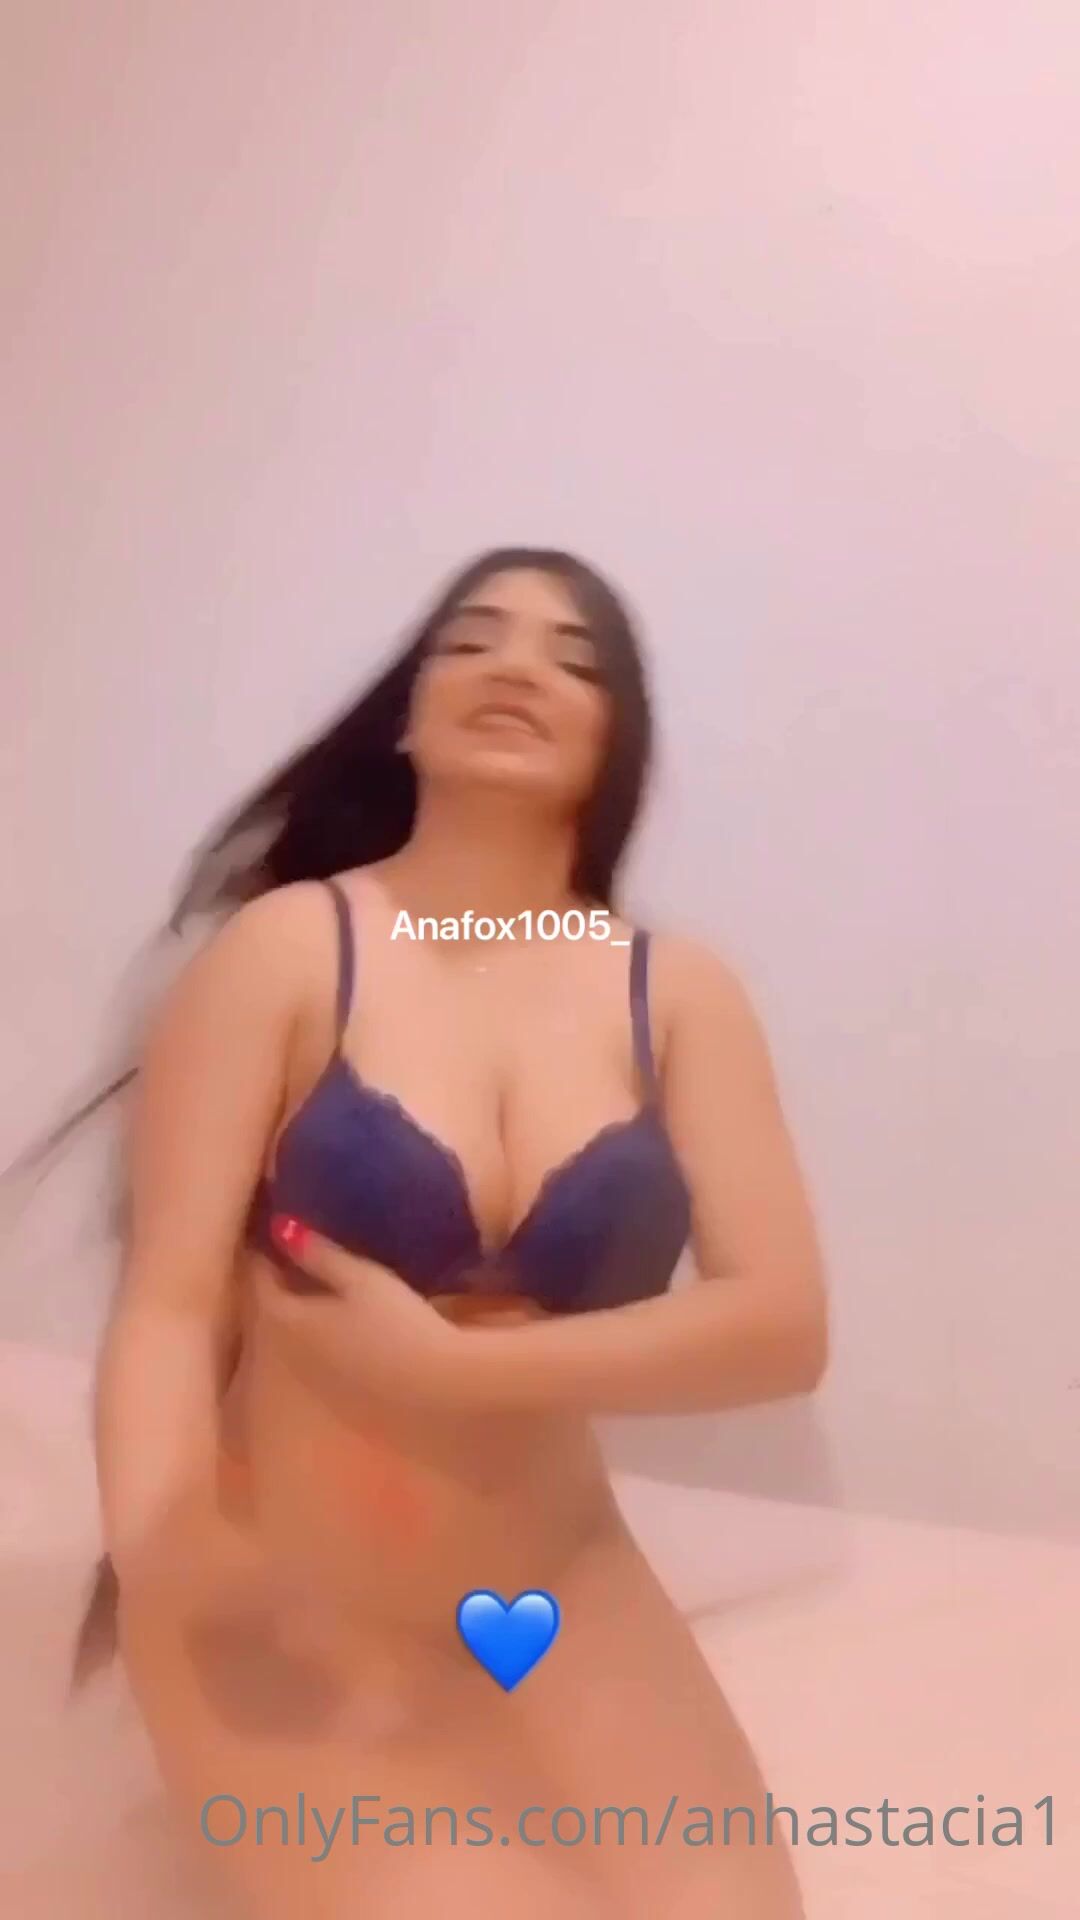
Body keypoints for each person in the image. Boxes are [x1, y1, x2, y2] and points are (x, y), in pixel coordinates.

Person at [60, 549, 828, 1916]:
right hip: (293, 1590)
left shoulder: (680, 995)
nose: (517, 667)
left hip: (557, 1587)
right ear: (409, 717)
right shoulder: (289, 953)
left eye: (573, 657)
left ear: (614, 743)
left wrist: (457, 1369)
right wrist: (172, 1554)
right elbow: (169, 1306)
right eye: (472, 641)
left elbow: (781, 1325)